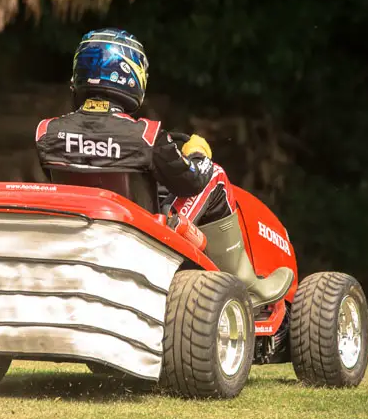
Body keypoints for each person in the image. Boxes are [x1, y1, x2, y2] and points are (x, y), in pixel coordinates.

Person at [35, 28, 292, 307]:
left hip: (81, 236)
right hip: (144, 241)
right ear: (131, 77)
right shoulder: (146, 135)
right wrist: (196, 154)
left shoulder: (47, 132)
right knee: (213, 176)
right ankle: (244, 287)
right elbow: (190, 182)